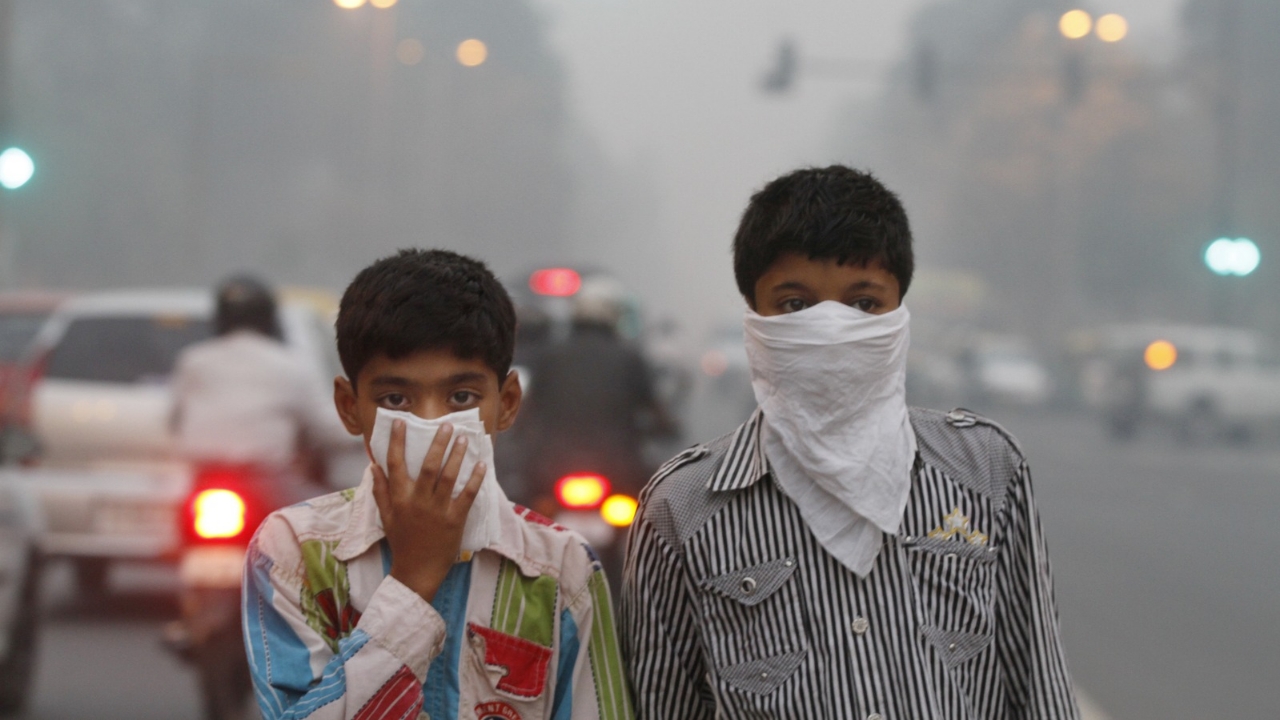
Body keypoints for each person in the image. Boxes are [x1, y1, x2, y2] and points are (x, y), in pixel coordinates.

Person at [622, 166, 1079, 719]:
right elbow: (661, 705)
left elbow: (1040, 687)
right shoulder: (682, 507)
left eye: (863, 304)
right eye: (795, 305)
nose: (831, 328)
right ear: (754, 316)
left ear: (899, 311)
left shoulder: (984, 470)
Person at [242, 249, 633, 720]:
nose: (432, 425)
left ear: (507, 403)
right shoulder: (295, 554)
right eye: (396, 398)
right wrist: (412, 580)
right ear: (349, 408)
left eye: (461, 397)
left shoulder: (561, 571)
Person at [171, 275, 348, 477]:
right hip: (266, 477)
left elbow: (174, 418)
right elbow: (323, 425)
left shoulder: (193, 360)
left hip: (201, 475)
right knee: (318, 505)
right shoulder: (290, 364)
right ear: (269, 318)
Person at [521, 277, 674, 498]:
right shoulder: (630, 358)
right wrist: (667, 428)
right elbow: (655, 409)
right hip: (619, 467)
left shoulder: (549, 356)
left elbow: (528, 410)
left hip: (552, 466)